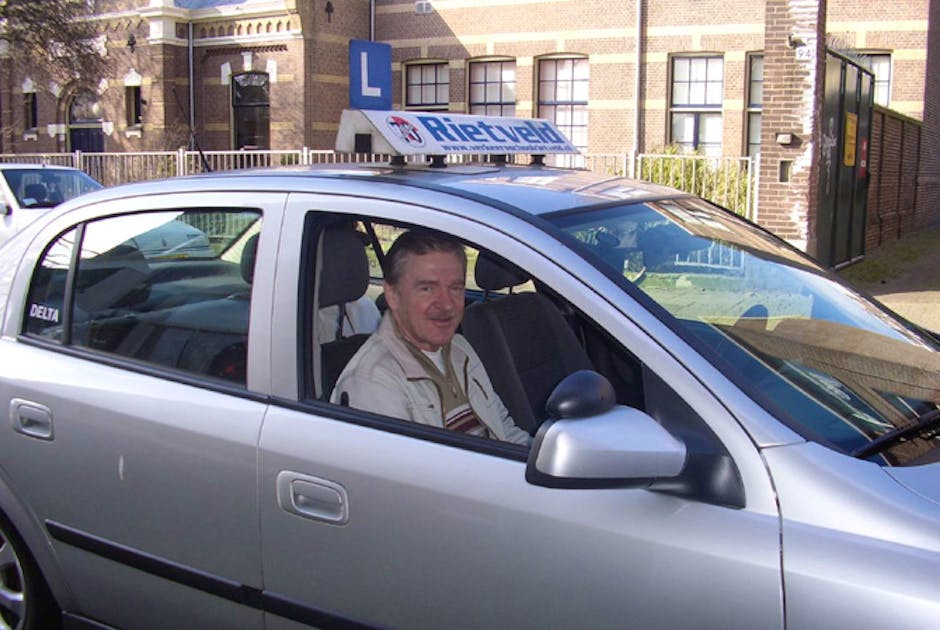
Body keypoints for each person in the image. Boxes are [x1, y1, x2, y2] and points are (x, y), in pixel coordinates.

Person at [331, 229, 529, 445]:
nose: (446, 304)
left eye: (455, 288)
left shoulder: (461, 348)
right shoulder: (371, 384)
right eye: (427, 288)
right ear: (393, 295)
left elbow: (504, 430)